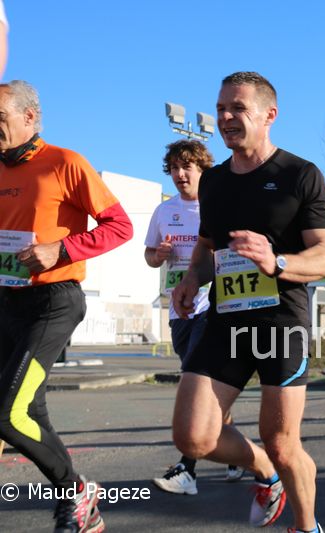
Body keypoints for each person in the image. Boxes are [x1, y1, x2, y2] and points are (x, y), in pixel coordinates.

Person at [171, 72, 325, 533]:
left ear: (269, 115)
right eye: (221, 108)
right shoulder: (213, 181)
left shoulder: (299, 175)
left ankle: (306, 526)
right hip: (226, 319)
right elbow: (207, 245)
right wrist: (191, 279)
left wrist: (276, 261)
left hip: (280, 322)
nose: (226, 117)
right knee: (192, 436)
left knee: (283, 442)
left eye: (238, 108)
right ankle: (264, 469)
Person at [0, 80, 133, 532]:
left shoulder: (65, 162)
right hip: (7, 301)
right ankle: (77, 505)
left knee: (7, 413)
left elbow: (120, 226)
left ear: (29, 117)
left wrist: (60, 250)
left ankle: (75, 490)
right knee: (29, 410)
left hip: (53, 301)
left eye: (0, 117)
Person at [145, 140, 246, 495]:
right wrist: (159, 255)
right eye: (174, 168)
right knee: (208, 387)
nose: (180, 174)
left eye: (187, 166)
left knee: (198, 381)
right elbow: (149, 257)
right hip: (179, 310)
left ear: (202, 169)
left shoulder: (216, 205)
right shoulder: (164, 211)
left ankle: (187, 469)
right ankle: (235, 451)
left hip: (212, 306)